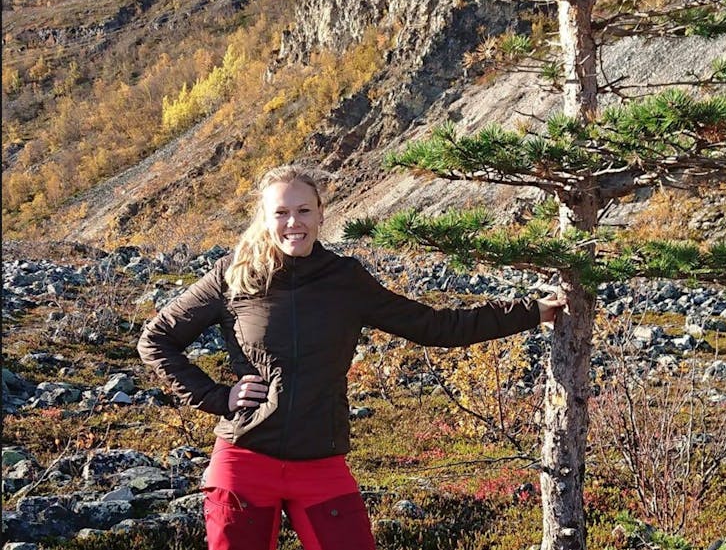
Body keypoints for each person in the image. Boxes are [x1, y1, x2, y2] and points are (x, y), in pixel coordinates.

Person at [138, 164, 564, 550]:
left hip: (320, 462)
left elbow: (435, 326)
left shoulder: (346, 280)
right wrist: (218, 397)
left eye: (303, 211)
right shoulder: (233, 276)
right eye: (281, 213)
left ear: (321, 215)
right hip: (244, 461)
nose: (293, 223)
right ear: (264, 219)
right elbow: (156, 340)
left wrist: (531, 312)